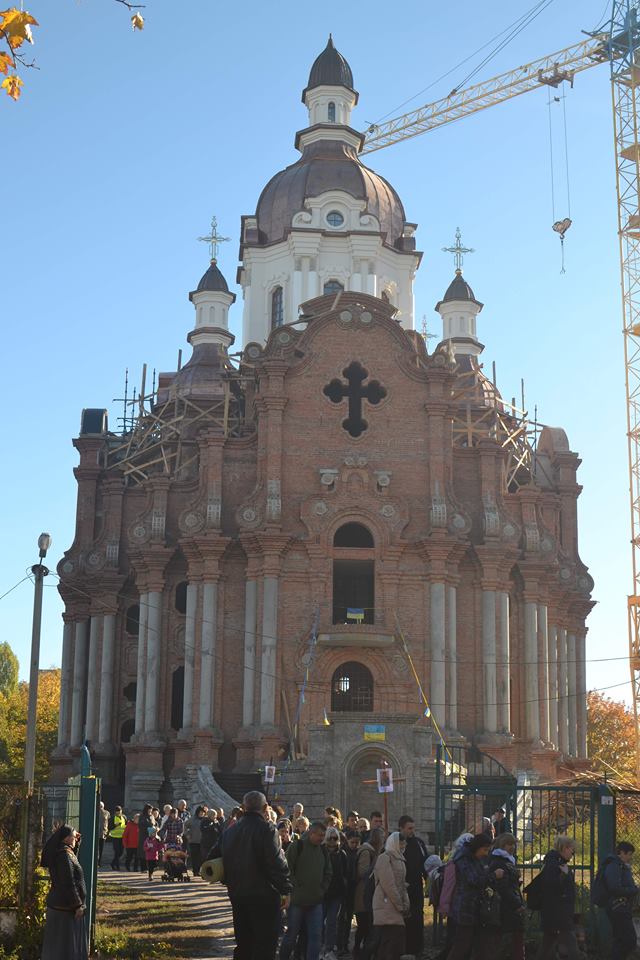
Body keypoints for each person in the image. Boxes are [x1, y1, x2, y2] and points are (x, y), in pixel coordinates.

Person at [222, 790, 291, 960]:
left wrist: (230, 880)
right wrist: (286, 889)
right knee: (265, 945)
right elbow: (276, 863)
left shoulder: (230, 831)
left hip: (238, 894)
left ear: (243, 807)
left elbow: (214, 859)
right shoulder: (268, 829)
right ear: (266, 807)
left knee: (243, 943)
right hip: (264, 895)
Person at [280, 821, 332, 960]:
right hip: (296, 902)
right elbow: (287, 869)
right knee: (291, 936)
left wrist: (322, 889)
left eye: (323, 835)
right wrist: (295, 887)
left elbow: (328, 872)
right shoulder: (297, 846)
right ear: (311, 833)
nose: (322, 838)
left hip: (316, 901)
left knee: (316, 936)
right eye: (320, 835)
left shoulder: (323, 850)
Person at [41, 825, 87, 960]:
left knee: (61, 946)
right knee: (64, 948)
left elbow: (73, 862)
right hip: (65, 908)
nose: (76, 838)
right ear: (66, 838)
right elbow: (68, 882)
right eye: (74, 836)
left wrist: (77, 842)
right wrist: (77, 905)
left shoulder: (65, 852)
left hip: (63, 906)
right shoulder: (64, 856)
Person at [446, 833, 493, 960]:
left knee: (474, 945)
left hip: (473, 907)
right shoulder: (464, 859)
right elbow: (474, 879)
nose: (486, 854)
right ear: (477, 847)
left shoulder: (474, 858)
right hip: (465, 907)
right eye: (485, 850)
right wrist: (492, 876)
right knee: (462, 945)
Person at [536, 836, 580, 960]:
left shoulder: (553, 863)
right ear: (565, 848)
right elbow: (553, 887)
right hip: (559, 912)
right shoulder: (555, 865)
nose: (572, 853)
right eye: (572, 850)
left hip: (554, 912)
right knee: (571, 944)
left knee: (548, 943)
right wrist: (566, 876)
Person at [372, 831, 410, 960]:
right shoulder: (385, 858)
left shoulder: (400, 859)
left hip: (395, 903)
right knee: (389, 941)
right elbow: (388, 884)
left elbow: (402, 884)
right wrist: (400, 905)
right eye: (401, 844)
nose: (403, 846)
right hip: (386, 903)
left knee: (394, 940)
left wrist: (405, 903)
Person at [487, 833, 525, 960]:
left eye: (514, 844)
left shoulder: (508, 860)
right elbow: (503, 888)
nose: (512, 847)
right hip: (505, 906)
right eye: (509, 844)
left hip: (508, 904)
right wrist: (517, 904)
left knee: (512, 937)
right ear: (502, 845)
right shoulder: (500, 862)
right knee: (509, 938)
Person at [398, 815, 429, 959]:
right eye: (409, 828)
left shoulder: (418, 843)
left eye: (413, 828)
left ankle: (417, 948)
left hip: (416, 886)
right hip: (403, 887)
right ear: (401, 828)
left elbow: (425, 863)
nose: (412, 831)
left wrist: (427, 879)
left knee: (417, 917)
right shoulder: (396, 843)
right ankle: (404, 949)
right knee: (405, 918)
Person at [602, 841, 638, 960]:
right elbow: (614, 888)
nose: (630, 857)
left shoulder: (620, 865)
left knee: (620, 940)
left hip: (621, 907)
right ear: (622, 853)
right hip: (618, 907)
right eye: (629, 854)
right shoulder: (614, 866)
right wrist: (633, 890)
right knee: (629, 940)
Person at [354, 826, 385, 956]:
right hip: (363, 894)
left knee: (367, 926)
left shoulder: (372, 851)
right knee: (364, 926)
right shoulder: (367, 851)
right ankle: (358, 951)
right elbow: (363, 872)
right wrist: (376, 859)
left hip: (368, 894)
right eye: (382, 837)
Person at [324, 826, 347, 960]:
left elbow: (345, 873)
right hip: (322, 893)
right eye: (330, 838)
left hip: (336, 894)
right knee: (319, 922)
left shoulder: (341, 854)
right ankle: (319, 947)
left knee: (332, 921)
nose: (332, 841)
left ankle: (329, 948)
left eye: (335, 838)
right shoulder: (321, 852)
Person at [185, 805, 207, 877]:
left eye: (203, 812)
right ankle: (195, 871)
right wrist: (187, 834)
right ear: (197, 812)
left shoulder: (206, 820)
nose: (202, 813)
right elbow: (185, 825)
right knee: (195, 857)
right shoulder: (192, 819)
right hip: (193, 841)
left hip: (203, 842)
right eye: (200, 812)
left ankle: (200, 870)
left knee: (202, 857)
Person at [137, 804, 155, 872]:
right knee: (143, 852)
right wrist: (149, 827)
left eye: (151, 810)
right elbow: (141, 826)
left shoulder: (152, 816)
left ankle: (149, 867)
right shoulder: (142, 816)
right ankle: (143, 868)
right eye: (149, 810)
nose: (150, 812)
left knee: (150, 852)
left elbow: (155, 823)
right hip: (143, 837)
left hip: (151, 836)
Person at [108, 805, 126, 870]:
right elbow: (109, 827)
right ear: (115, 812)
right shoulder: (113, 818)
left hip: (122, 837)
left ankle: (113, 863)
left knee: (121, 852)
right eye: (117, 811)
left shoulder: (124, 817)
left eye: (119, 811)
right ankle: (117, 866)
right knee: (117, 852)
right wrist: (115, 825)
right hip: (115, 836)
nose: (118, 812)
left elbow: (126, 825)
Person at [98, 801, 110, 867]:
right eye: (99, 806)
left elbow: (108, 822)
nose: (100, 808)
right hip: (96, 833)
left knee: (101, 849)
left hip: (103, 833)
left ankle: (99, 862)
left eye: (101, 806)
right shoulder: (95, 812)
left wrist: (107, 831)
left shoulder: (107, 813)